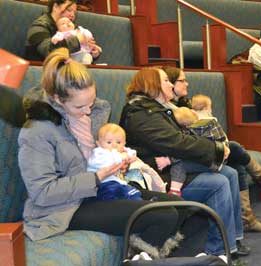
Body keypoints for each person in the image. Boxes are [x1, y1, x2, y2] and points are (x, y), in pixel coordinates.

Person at [18, 48, 181, 255]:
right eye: (80, 107)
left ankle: (146, 257)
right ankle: (139, 258)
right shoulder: (37, 131)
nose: (87, 111)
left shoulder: (91, 117)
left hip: (101, 190)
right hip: (64, 208)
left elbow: (100, 153)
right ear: (58, 100)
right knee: (163, 215)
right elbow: (42, 192)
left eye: (91, 103)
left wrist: (116, 161)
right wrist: (96, 177)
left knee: (181, 206)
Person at [119, 67, 249, 265]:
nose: (171, 85)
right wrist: (215, 149)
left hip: (173, 167)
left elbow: (181, 140)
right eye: (165, 81)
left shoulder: (155, 109)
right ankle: (219, 251)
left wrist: (215, 149)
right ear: (151, 84)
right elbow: (176, 143)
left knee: (229, 172)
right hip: (159, 177)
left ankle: (230, 245)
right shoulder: (140, 113)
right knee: (218, 182)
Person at [157, 77, 261, 233]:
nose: (186, 83)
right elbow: (184, 141)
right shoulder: (171, 110)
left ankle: (248, 215)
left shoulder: (183, 104)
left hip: (203, 152)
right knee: (234, 148)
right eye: (181, 80)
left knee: (236, 161)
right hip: (191, 158)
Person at [87, 123, 166, 200]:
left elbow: (131, 152)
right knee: (123, 192)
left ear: (124, 143)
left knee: (132, 192)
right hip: (102, 184)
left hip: (117, 182)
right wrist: (121, 157)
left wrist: (130, 157)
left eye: (118, 142)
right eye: (109, 142)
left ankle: (142, 203)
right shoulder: (99, 153)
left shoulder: (121, 151)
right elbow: (100, 162)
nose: (114, 145)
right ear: (98, 143)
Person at [25, 0, 101, 61]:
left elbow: (80, 52)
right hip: (43, 72)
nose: (72, 15)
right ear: (55, 6)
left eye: (74, 12)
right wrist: (77, 40)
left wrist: (92, 51)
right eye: (69, 10)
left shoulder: (72, 27)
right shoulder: (39, 26)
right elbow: (48, 51)